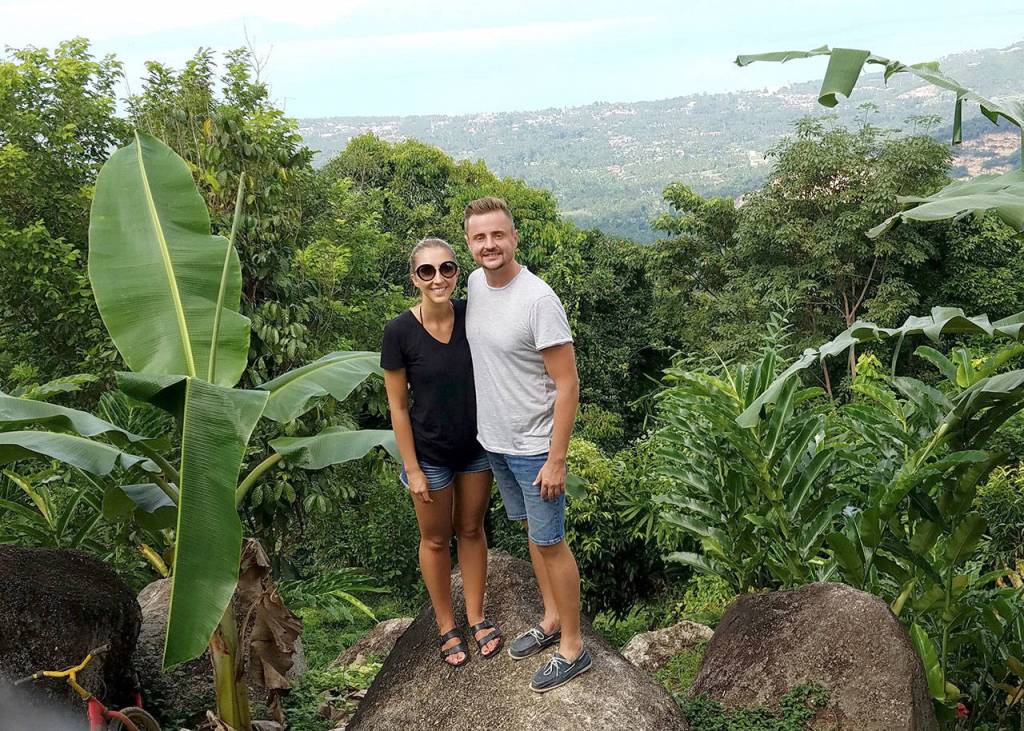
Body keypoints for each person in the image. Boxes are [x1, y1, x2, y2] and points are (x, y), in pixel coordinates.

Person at [463, 197, 591, 692]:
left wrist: (557, 459)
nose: (489, 245)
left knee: (551, 542)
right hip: (495, 441)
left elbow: (568, 383)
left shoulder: (538, 299)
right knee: (532, 535)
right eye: (479, 237)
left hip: (536, 447)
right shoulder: (474, 284)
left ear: (514, 237)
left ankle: (573, 648)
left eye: (498, 235)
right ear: (470, 243)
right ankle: (552, 618)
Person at [380, 237, 503, 667]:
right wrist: (411, 468)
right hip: (429, 454)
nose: (438, 279)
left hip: (476, 447)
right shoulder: (399, 332)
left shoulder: (473, 315)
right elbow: (397, 405)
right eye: (427, 271)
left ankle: (476, 615)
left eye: (447, 269)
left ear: (456, 272)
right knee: (435, 539)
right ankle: (446, 626)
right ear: (414, 278)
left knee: (471, 530)